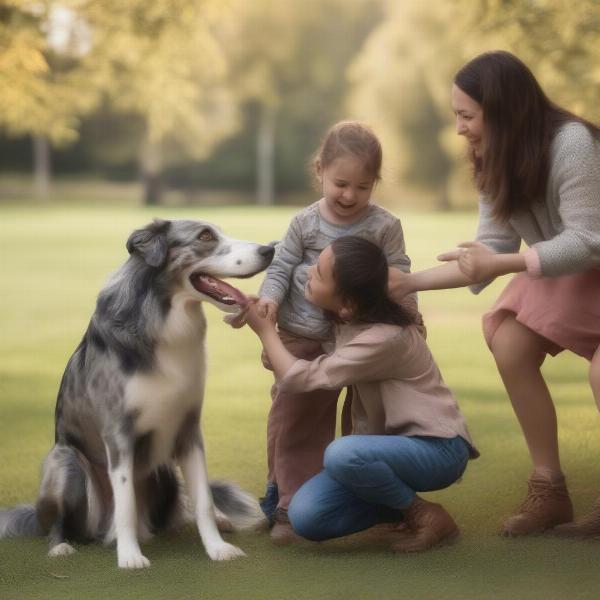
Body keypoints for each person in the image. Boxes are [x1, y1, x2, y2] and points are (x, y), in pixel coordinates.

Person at [389, 50, 600, 537]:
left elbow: (587, 240)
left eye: (466, 116)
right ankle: (549, 489)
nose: (459, 128)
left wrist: (500, 262)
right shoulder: (493, 158)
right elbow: (492, 248)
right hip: (572, 273)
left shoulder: (572, 144)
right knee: (510, 340)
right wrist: (408, 282)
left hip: (586, 263)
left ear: (503, 111)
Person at [244, 236, 478, 551]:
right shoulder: (352, 318)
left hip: (439, 449)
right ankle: (395, 505)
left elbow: (303, 378)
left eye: (320, 273)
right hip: (387, 453)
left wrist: (266, 333)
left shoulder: (384, 338)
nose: (309, 271)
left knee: (342, 453)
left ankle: (421, 514)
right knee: (306, 517)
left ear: (348, 303)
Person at [252, 121, 419, 544]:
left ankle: (369, 500)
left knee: (367, 420)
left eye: (363, 187)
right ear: (320, 171)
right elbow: (281, 267)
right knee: (299, 419)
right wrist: (269, 300)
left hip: (361, 339)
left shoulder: (384, 225)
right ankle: (290, 504)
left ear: (375, 183)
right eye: (341, 183)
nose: (350, 195)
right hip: (302, 335)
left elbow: (400, 273)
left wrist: (412, 318)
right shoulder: (304, 223)